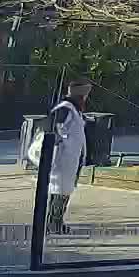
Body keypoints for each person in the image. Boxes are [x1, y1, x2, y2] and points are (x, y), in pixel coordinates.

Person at [44, 79, 92, 235]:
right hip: (62, 159)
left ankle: (56, 221)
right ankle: (53, 223)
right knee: (59, 190)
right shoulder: (65, 108)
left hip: (71, 159)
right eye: (85, 94)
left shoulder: (74, 109)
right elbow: (54, 127)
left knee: (64, 191)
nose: (86, 97)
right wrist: (59, 143)